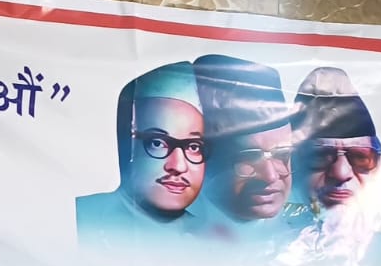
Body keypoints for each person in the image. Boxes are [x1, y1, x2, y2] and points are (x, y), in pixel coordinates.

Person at [285, 65, 381, 266]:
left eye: (360, 157)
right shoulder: (264, 248)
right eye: (320, 156)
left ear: (377, 165)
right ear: (292, 164)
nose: (341, 173)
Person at [75, 62, 209, 253]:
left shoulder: (215, 239)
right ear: (124, 144)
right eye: (157, 143)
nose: (178, 166)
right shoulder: (81, 217)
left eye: (193, 147)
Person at [188, 54, 310, 246]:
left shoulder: (305, 233)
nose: (271, 176)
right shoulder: (167, 240)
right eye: (250, 157)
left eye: (282, 155)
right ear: (205, 159)